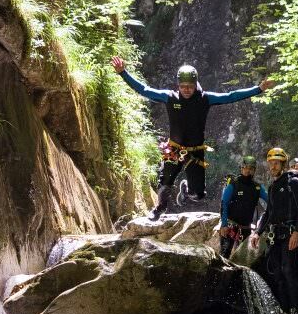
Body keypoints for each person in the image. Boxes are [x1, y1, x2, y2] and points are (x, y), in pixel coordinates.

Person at [110, 56, 276, 219]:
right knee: (165, 181)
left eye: (189, 86)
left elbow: (231, 96)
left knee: (198, 195)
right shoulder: (170, 97)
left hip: (195, 152)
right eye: (183, 86)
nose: (186, 90)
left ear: (195, 84)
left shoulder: (205, 99)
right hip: (174, 148)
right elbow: (144, 90)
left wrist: (258, 89)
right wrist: (123, 72)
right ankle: (160, 207)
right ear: (178, 85)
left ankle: (187, 189)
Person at [252, 147, 298, 314]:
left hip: (290, 233)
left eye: (276, 163)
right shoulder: (273, 186)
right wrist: (257, 232)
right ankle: (284, 313)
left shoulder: (293, 182)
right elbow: (268, 213)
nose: (273, 166)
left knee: (289, 271)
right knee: (278, 274)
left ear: (283, 164)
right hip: (276, 236)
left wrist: (297, 232)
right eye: (271, 163)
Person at [218, 156, 268, 258]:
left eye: (251, 168)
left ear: (254, 170)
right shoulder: (233, 184)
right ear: (241, 168)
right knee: (224, 256)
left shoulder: (257, 187)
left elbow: (270, 200)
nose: (247, 170)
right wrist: (224, 224)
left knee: (242, 259)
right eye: (245, 167)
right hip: (231, 226)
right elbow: (224, 204)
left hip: (246, 228)